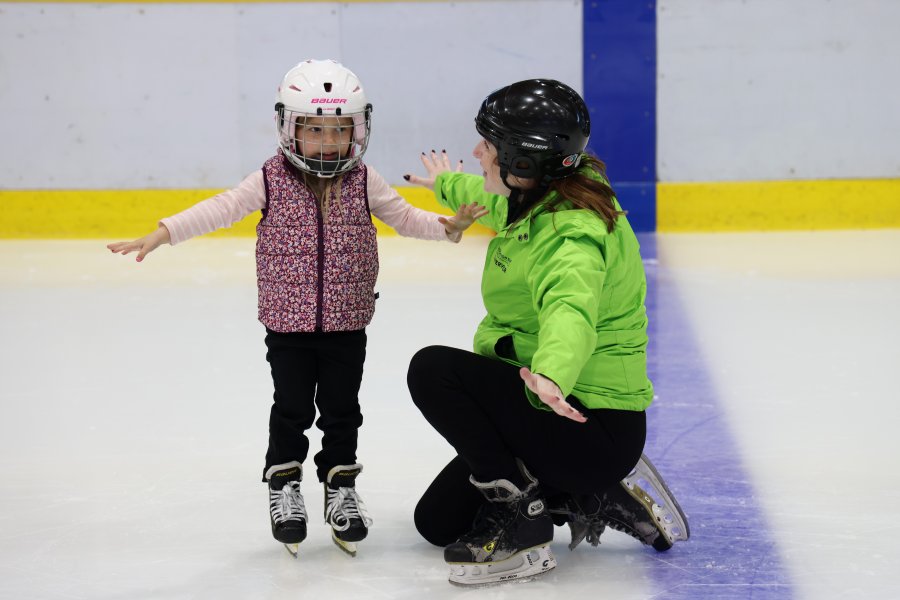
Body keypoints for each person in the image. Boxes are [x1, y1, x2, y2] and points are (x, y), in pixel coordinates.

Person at [107, 59, 486, 557]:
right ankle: (284, 485)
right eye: (315, 130)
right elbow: (219, 208)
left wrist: (450, 225)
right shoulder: (269, 177)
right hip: (287, 326)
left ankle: (340, 487)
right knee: (291, 409)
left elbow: (406, 218)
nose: (328, 142)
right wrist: (164, 232)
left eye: (339, 130)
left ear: (358, 130)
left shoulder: (364, 179)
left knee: (342, 412)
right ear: (291, 129)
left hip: (347, 323)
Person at [404, 79, 690, 585]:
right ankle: (588, 493)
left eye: (487, 146)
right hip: (549, 409)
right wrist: (446, 183)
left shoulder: (572, 234)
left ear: (521, 160)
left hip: (586, 421)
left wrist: (553, 375)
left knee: (433, 369)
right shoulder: (535, 197)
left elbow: (570, 308)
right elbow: (486, 198)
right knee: (437, 523)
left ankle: (527, 523)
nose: (476, 152)